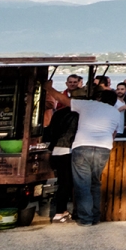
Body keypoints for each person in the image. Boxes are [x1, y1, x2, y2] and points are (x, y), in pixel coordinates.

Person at [69, 85, 123, 226]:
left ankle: (86, 218)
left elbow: (62, 99)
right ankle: (95, 216)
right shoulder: (116, 112)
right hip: (103, 147)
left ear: (99, 98)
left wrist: (49, 88)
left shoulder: (89, 104)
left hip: (82, 145)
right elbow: (114, 134)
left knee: (82, 184)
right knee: (95, 183)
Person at [44, 75, 81, 223]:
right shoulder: (79, 115)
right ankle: (61, 211)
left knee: (62, 182)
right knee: (68, 183)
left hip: (56, 149)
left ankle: (61, 210)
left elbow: (49, 132)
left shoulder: (59, 113)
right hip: (69, 149)